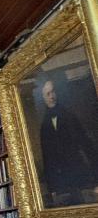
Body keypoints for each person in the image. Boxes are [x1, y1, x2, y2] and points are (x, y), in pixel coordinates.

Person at [38, 76, 98, 207]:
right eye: (48, 94)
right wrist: (52, 188)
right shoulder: (44, 125)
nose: (52, 96)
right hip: (61, 181)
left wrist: (96, 180)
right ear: (43, 97)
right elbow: (47, 158)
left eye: (53, 92)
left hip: (80, 173)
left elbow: (86, 145)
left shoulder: (69, 116)